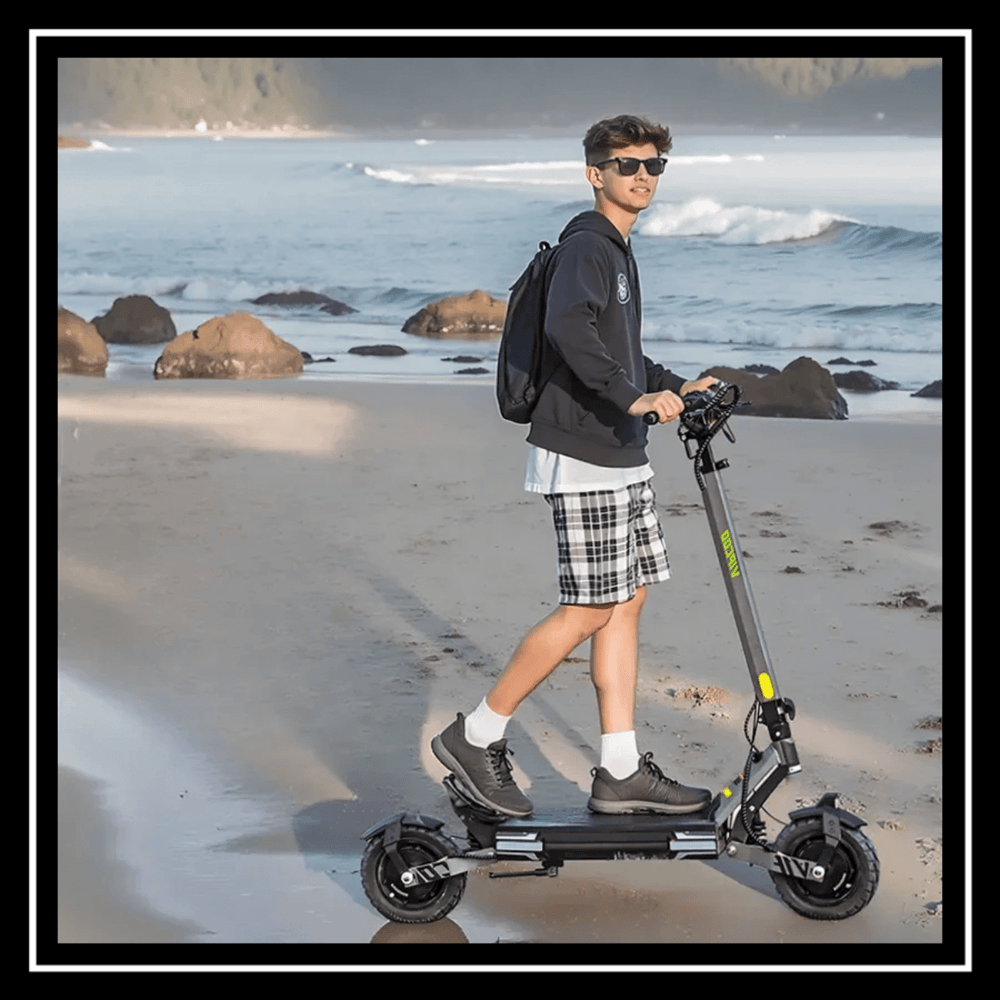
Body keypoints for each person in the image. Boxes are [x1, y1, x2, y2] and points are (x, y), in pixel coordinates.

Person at [432, 114, 718, 818]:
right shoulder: (589, 247)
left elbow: (619, 348)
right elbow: (570, 331)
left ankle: (619, 768)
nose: (643, 176)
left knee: (627, 599)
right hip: (583, 449)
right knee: (590, 605)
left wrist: (674, 387)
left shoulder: (617, 252)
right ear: (596, 173)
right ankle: (478, 733)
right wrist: (631, 396)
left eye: (654, 165)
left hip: (618, 447)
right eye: (628, 165)